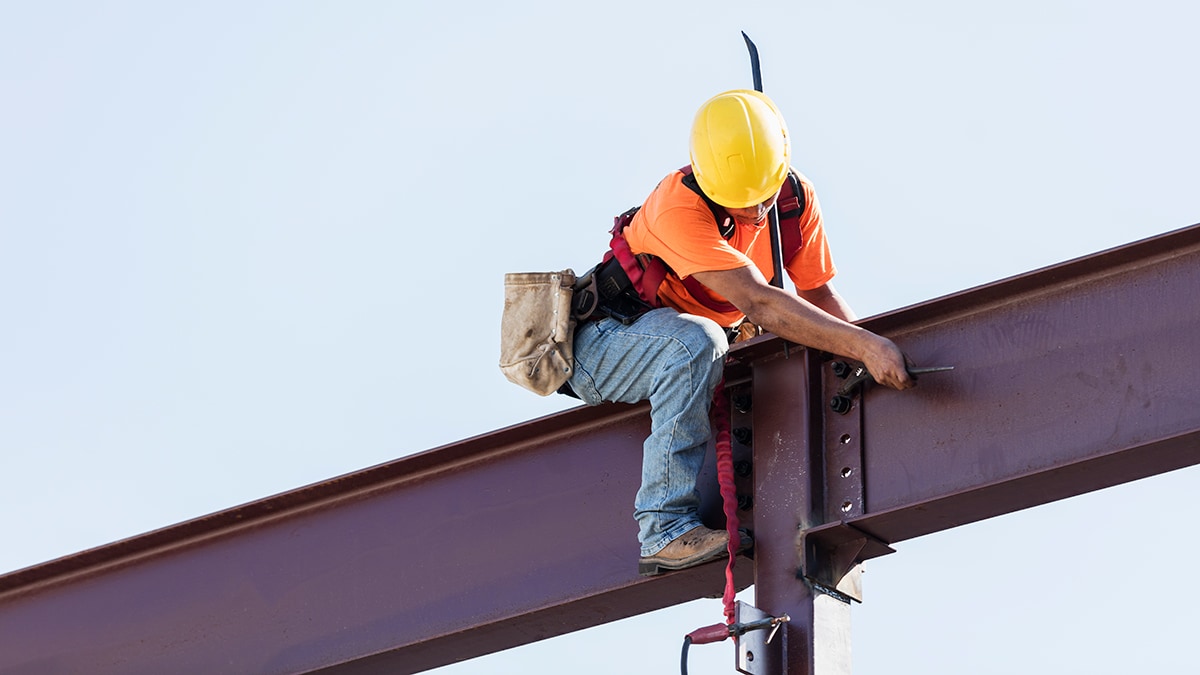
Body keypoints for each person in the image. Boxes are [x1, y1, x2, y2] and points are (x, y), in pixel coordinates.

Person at [563, 89, 914, 576]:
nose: (753, 213)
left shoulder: (793, 200)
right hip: (603, 344)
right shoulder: (678, 207)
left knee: (721, 343)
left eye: (761, 200)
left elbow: (817, 295)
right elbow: (759, 301)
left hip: (674, 343)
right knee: (697, 342)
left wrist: (863, 357)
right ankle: (662, 529)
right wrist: (866, 347)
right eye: (739, 204)